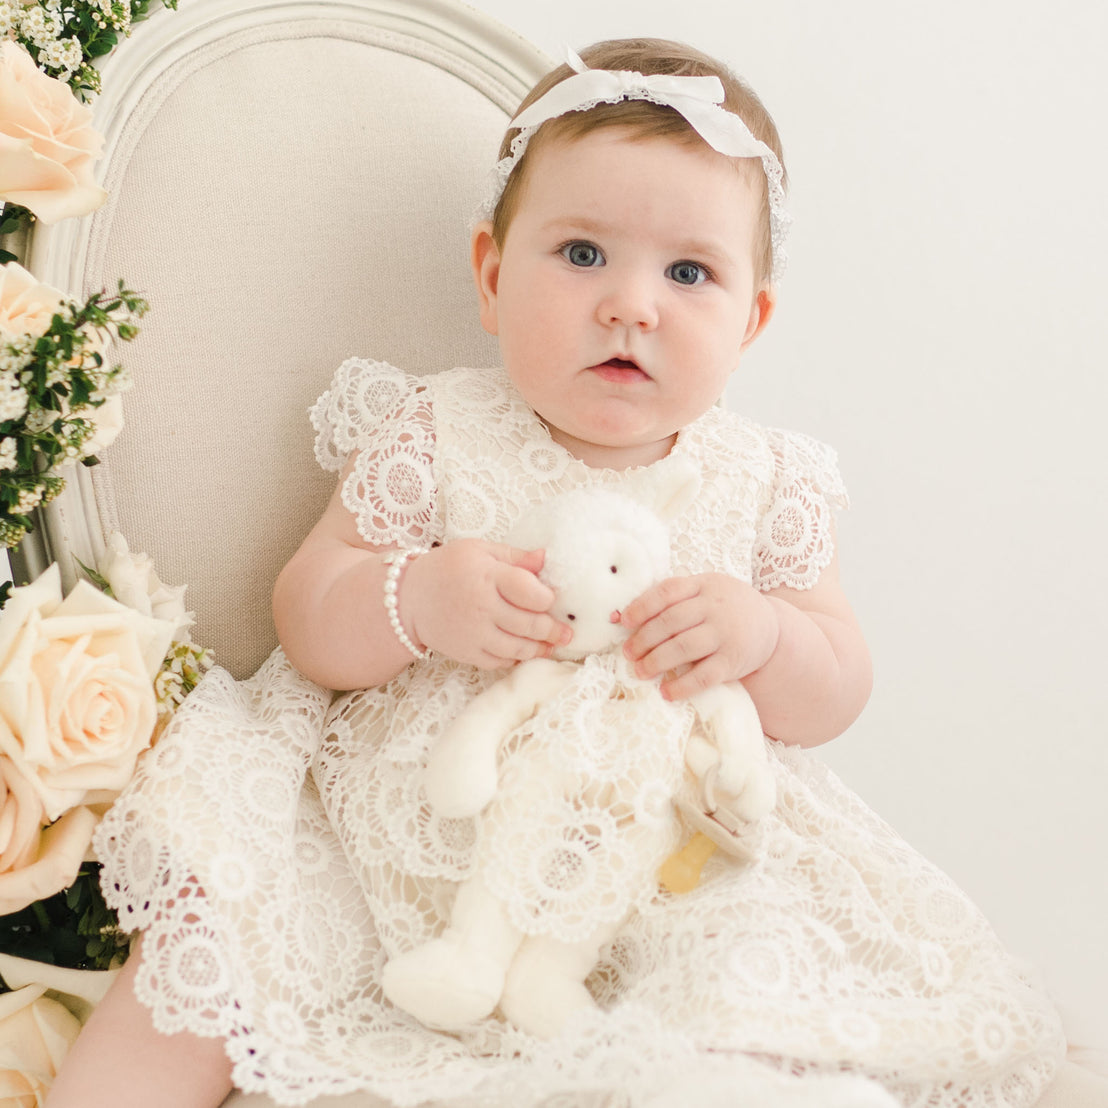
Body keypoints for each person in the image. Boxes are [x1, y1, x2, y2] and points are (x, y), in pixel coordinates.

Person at [48, 37, 1070, 1108]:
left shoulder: (765, 479)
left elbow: (837, 685)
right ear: (492, 276)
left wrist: (766, 636)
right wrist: (415, 594)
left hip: (659, 856)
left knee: (749, 974)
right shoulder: (436, 427)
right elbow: (307, 609)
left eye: (688, 272)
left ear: (750, 320)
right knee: (212, 937)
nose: (632, 303)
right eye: (582, 254)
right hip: (386, 831)